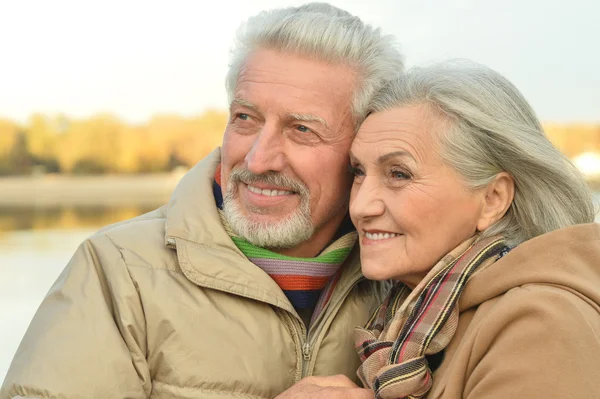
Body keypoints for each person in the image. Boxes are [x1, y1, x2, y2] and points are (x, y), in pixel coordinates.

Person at [0, 3, 404, 399]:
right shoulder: (118, 271)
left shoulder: (409, 278)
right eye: (245, 118)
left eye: (301, 129)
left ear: (364, 146)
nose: (258, 159)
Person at [277, 61, 600, 398]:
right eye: (358, 172)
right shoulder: (408, 319)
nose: (359, 207)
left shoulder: (541, 323)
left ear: (493, 199)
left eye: (399, 174)